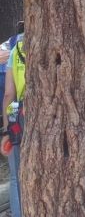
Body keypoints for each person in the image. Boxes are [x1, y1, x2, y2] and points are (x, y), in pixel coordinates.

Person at [3, 23, 24, 216]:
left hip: (21, 116)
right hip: (49, 114)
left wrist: (6, 128)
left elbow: (9, 94)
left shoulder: (16, 49)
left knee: (17, 174)